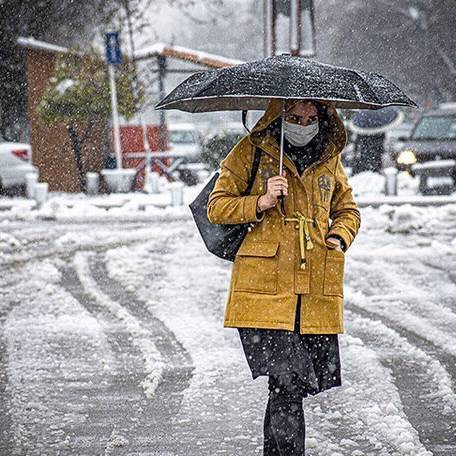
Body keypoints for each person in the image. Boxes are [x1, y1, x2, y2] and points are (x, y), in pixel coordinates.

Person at [207, 98, 361, 455]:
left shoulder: (328, 158)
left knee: (289, 386)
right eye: (294, 117)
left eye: (310, 117)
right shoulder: (252, 151)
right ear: (279, 117)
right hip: (265, 292)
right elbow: (216, 206)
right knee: (287, 383)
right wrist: (259, 202)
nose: (303, 124)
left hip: (313, 294)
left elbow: (348, 210)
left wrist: (339, 236)